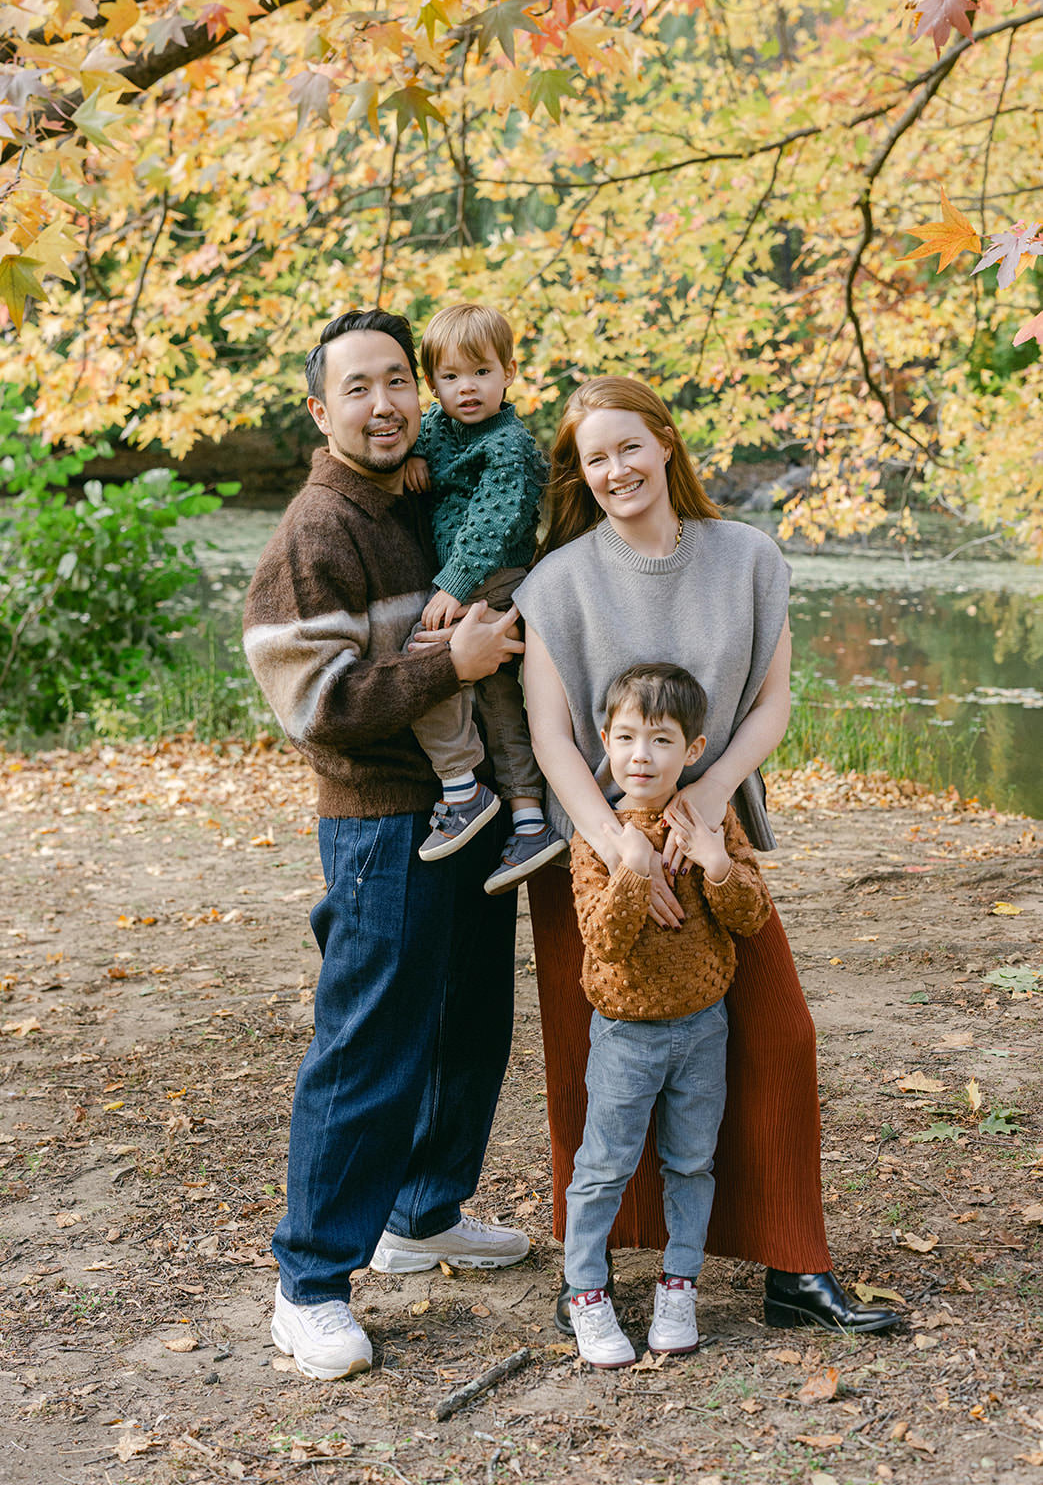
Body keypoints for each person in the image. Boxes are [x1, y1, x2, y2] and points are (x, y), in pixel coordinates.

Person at [514, 375, 902, 1337]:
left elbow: (772, 701)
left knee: (778, 1036)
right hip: (598, 855)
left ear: (665, 442)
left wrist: (713, 789)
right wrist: (618, 843)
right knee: (591, 1065)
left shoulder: (747, 558)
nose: (614, 470)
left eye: (628, 447)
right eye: (593, 458)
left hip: (712, 837)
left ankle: (792, 1270)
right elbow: (550, 735)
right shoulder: (557, 581)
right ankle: (591, 1275)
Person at [243, 309, 530, 1382]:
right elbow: (316, 704)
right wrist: (451, 664)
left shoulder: (423, 489)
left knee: (468, 1026)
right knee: (367, 1047)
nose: (385, 402)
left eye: (398, 380)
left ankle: (422, 1213)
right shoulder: (314, 533)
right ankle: (309, 1284)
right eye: (357, 387)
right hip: (381, 824)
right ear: (320, 411)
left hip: (472, 809)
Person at [564, 663, 772, 1368]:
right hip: (625, 1034)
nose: (641, 756)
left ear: (693, 749)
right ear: (604, 742)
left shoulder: (710, 821)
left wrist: (716, 864)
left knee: (690, 1162)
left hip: (703, 1028)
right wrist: (632, 863)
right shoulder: (597, 837)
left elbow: (750, 917)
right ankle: (585, 1292)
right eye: (626, 738)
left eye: (660, 740)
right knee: (604, 1166)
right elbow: (604, 940)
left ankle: (678, 1286)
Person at [402, 303, 566, 894]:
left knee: (423, 657)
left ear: (509, 373)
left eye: (481, 372)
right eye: (450, 376)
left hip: (490, 576)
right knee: (497, 700)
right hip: (470, 579)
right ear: (433, 384)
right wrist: (413, 457)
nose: (466, 388)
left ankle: (461, 787)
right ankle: (528, 821)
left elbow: (492, 524)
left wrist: (452, 584)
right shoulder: (435, 428)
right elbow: (413, 440)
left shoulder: (508, 444)